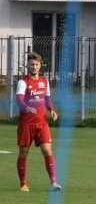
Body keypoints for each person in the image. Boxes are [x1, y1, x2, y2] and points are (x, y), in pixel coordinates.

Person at [16, 52, 61, 192]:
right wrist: (26, 107)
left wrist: (52, 110)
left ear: (40, 65)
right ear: (27, 66)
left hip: (42, 123)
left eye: (36, 64)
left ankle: (53, 183)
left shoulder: (44, 81)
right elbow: (19, 100)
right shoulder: (23, 82)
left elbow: (47, 98)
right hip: (26, 124)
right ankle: (23, 183)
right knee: (23, 153)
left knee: (47, 151)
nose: (34, 67)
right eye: (31, 64)